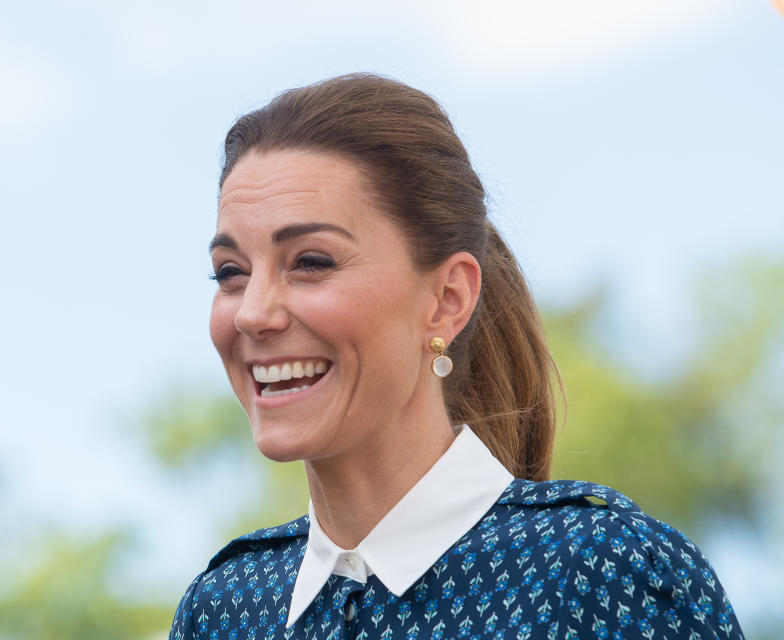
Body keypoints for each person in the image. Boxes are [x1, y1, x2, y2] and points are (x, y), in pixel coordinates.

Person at [171, 74, 743, 640]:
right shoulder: (223, 610)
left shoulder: (605, 573)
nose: (251, 313)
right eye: (231, 273)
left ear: (447, 300)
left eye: (311, 262)